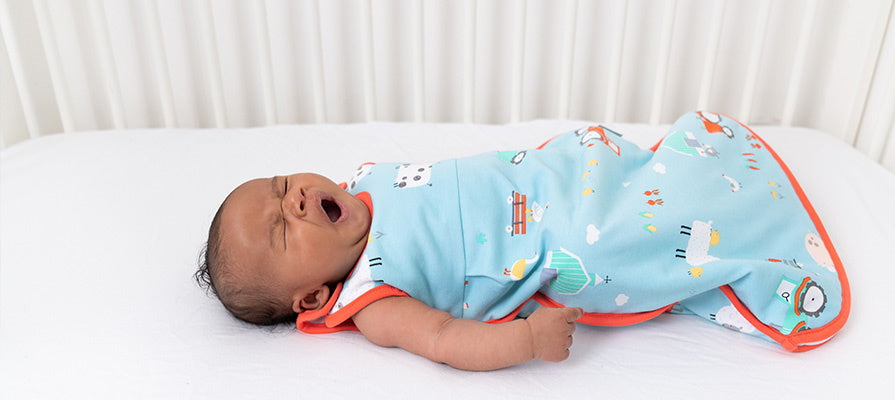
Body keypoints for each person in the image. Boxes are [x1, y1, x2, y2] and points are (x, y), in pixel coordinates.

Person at [195, 111, 847, 371]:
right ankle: (753, 245)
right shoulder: (374, 302)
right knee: (610, 245)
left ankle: (704, 174)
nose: (297, 199)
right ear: (311, 296)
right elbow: (446, 341)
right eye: (283, 227)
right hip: (556, 239)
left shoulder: (365, 179)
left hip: (551, 181)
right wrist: (524, 341)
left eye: (283, 185)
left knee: (600, 168)